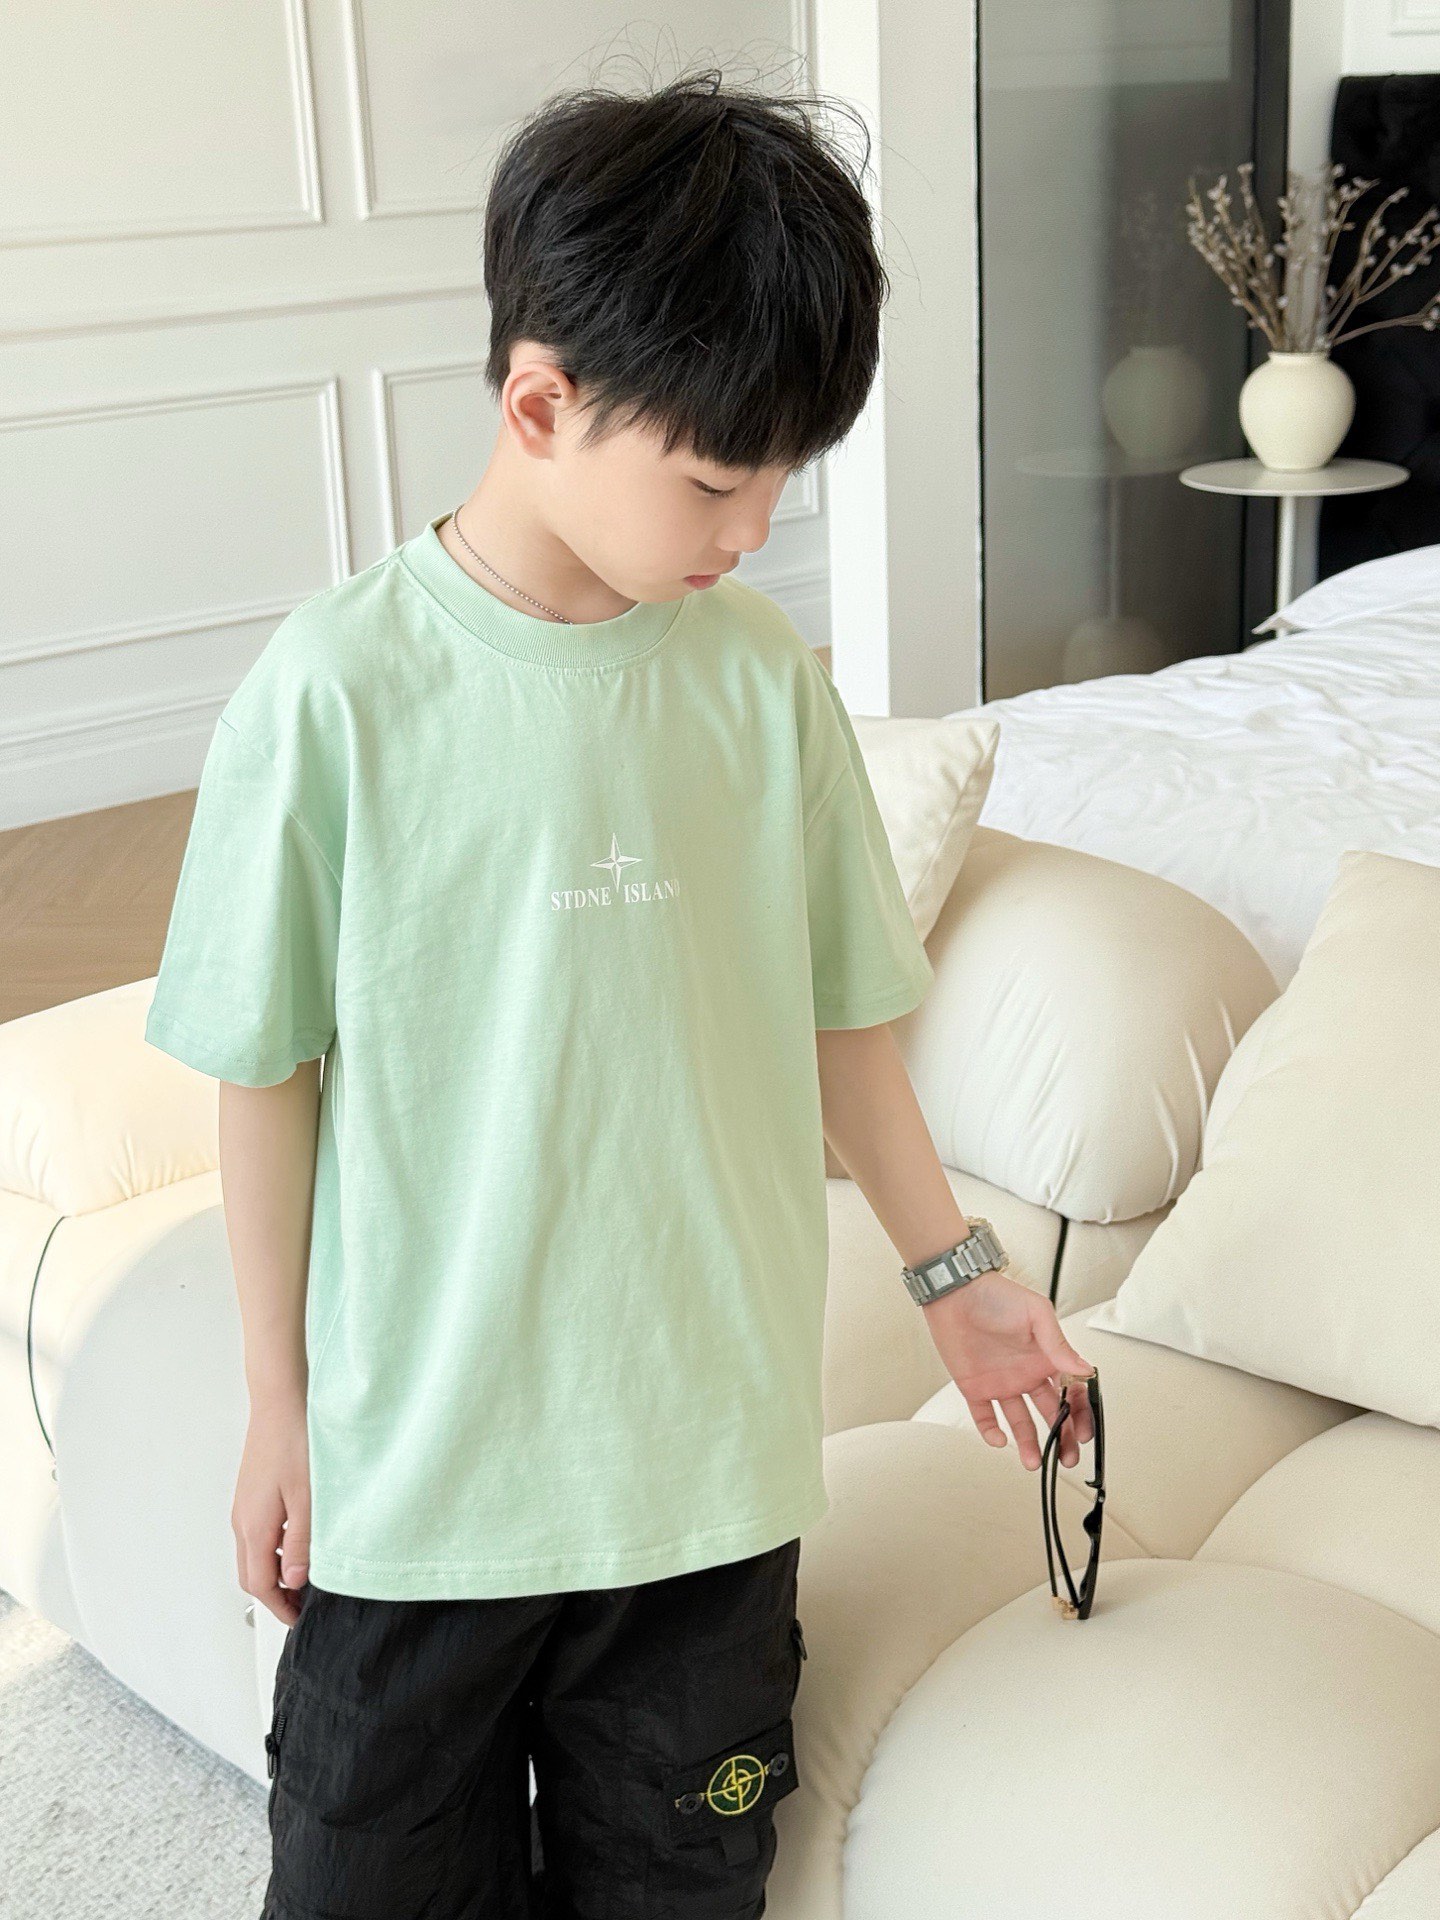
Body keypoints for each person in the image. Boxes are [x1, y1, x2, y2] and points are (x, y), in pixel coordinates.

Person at [144, 66, 1096, 1920]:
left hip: (707, 1494)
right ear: (539, 403)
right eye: (718, 483)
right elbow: (265, 1070)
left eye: (782, 483)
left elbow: (843, 1029)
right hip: (419, 1498)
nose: (753, 534)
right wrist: (278, 1402)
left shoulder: (759, 684)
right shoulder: (336, 692)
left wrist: (962, 1284)